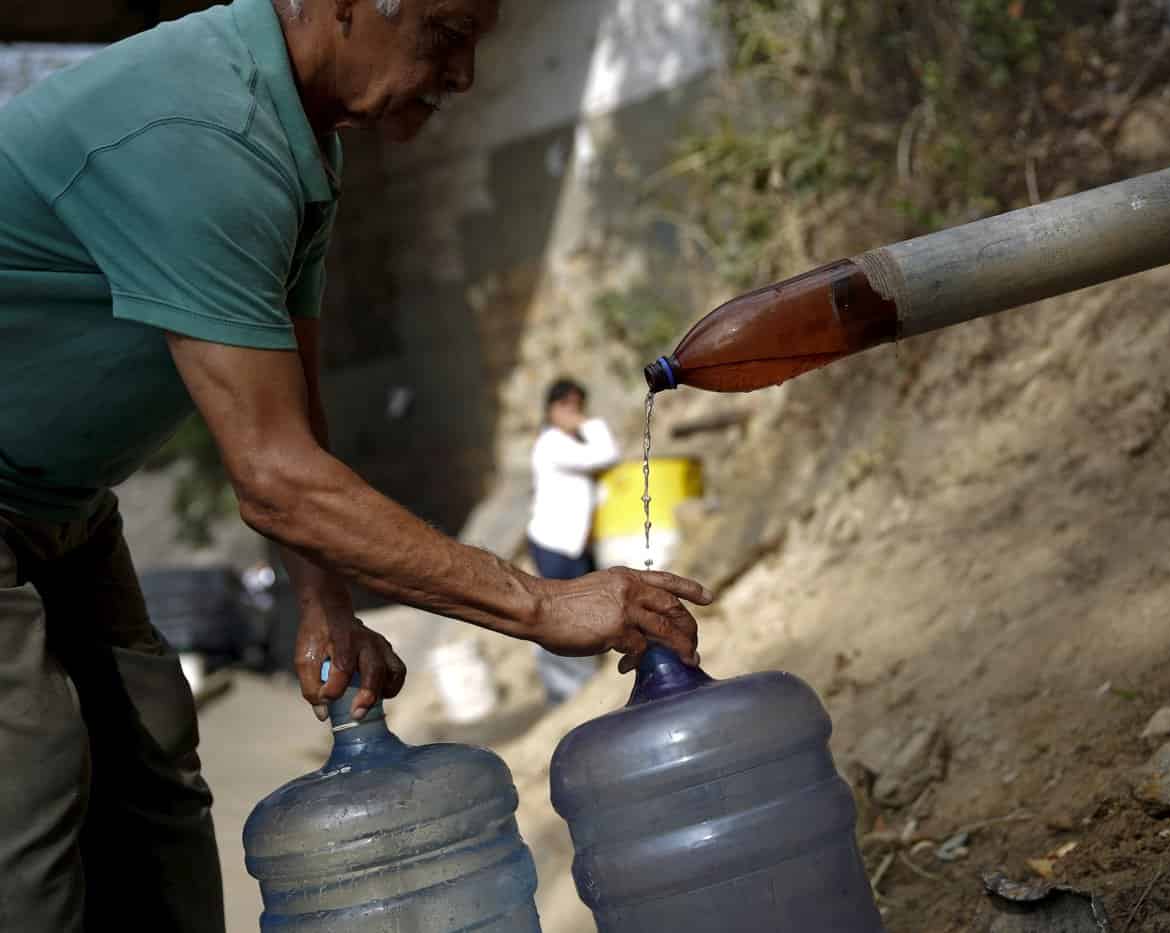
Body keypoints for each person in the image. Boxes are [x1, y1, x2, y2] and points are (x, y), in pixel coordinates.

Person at [0, 1, 711, 929]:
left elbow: (292, 413)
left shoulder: (300, 145)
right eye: (446, 35)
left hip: (66, 501)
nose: (463, 75)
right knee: (31, 783)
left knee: (152, 762)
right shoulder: (204, 132)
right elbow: (272, 477)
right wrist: (541, 604)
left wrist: (324, 602)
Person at [526, 379, 619, 703]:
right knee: (559, 613)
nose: (573, 413)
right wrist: (588, 423)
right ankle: (565, 690)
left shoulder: (571, 444)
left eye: (578, 406)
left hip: (575, 545)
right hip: (554, 545)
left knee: (583, 607)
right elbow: (607, 454)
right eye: (566, 406)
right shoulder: (551, 444)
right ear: (551, 410)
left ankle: (587, 677)